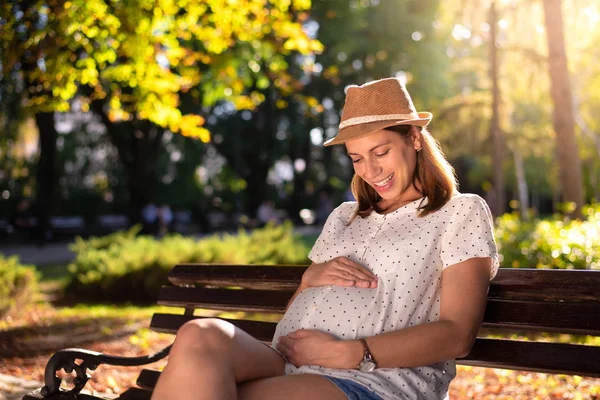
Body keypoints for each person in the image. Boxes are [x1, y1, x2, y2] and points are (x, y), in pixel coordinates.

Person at [151, 77, 498, 400]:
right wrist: (308, 279)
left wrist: (353, 352)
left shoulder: (459, 212)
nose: (370, 170)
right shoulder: (343, 216)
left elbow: (458, 334)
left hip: (375, 381)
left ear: (414, 138)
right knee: (200, 335)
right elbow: (304, 308)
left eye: (381, 152)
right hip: (290, 361)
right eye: (357, 158)